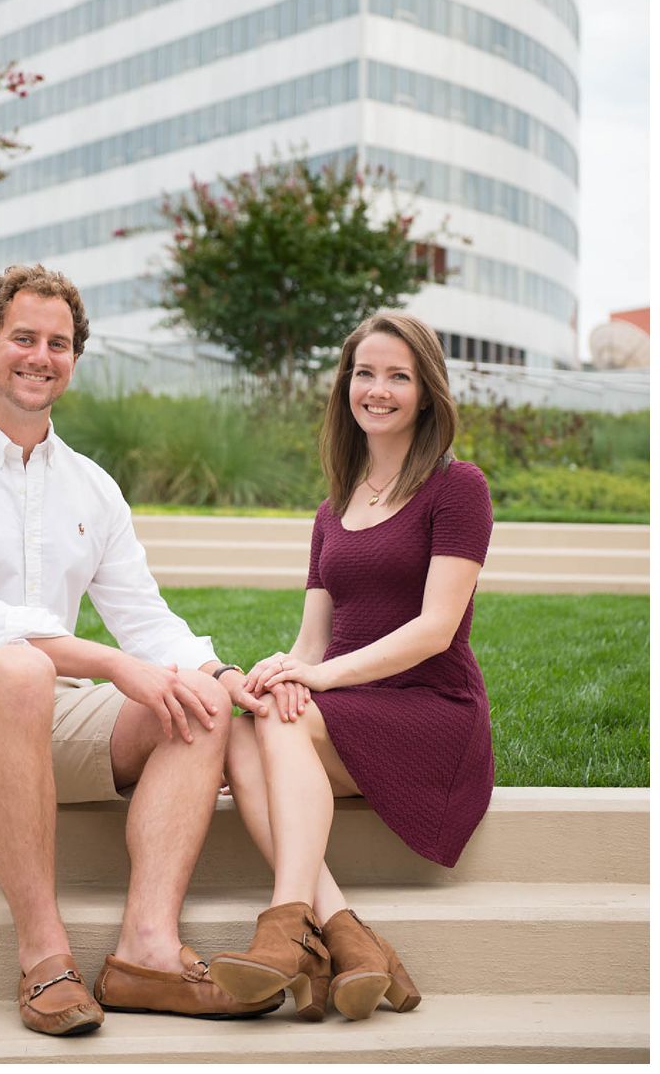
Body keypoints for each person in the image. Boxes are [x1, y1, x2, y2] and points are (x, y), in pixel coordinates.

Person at [0, 263, 281, 1037]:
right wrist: (114, 665)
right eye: (23, 337)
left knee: (196, 700)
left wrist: (219, 672)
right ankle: (44, 955)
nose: (41, 355)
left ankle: (145, 952)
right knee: (23, 667)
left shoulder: (93, 487)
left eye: (59, 343)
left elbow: (146, 621)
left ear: (74, 362)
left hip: (35, 713)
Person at [210, 312, 490, 1020]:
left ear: (427, 392)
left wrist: (325, 677)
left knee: (279, 720)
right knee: (249, 723)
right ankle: (346, 937)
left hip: (432, 709)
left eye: (399, 375)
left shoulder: (457, 488)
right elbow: (313, 640)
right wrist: (283, 668)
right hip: (352, 709)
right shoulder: (333, 506)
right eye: (365, 372)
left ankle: (289, 920)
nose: (379, 389)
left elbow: (436, 628)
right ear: (345, 386)